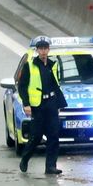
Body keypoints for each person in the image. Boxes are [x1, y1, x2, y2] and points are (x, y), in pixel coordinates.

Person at [16, 36, 67, 175]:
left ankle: (50, 166)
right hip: (38, 106)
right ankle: (25, 159)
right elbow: (22, 87)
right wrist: (26, 104)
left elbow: (56, 85)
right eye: (41, 49)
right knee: (36, 136)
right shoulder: (30, 66)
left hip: (51, 104)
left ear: (49, 50)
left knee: (54, 136)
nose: (43, 52)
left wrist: (59, 104)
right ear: (37, 50)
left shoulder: (53, 65)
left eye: (45, 49)